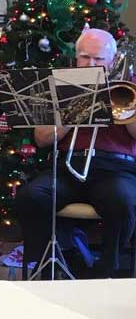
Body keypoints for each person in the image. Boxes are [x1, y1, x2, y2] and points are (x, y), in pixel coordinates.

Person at [17, 28, 136, 278]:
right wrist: (74, 111)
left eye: (98, 59)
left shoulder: (129, 86)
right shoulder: (58, 86)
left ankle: (107, 270)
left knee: (123, 201)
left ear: (112, 61)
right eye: (84, 57)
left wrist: (124, 111)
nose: (90, 64)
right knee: (32, 195)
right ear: (75, 58)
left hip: (115, 169)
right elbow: (41, 139)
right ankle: (60, 260)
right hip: (68, 167)